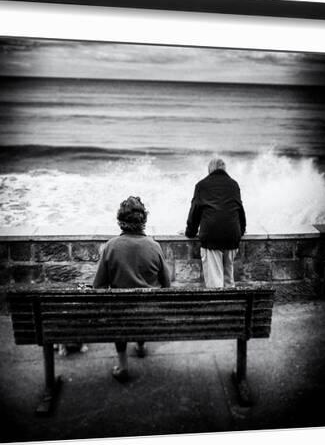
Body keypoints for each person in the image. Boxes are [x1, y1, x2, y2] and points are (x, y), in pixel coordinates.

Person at [93, 196, 171, 382]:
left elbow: (98, 286)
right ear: (143, 220)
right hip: (148, 314)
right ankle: (141, 346)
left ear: (120, 221)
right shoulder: (154, 246)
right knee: (142, 305)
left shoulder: (111, 247)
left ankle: (123, 365)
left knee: (119, 312)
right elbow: (167, 284)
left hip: (120, 315)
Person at [185, 157, 246, 288]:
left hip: (211, 237)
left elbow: (194, 212)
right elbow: (240, 209)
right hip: (232, 236)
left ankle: (219, 306)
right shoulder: (234, 184)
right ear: (224, 169)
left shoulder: (202, 185)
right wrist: (241, 230)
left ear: (210, 169)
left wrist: (190, 232)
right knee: (229, 280)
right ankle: (232, 305)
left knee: (215, 283)